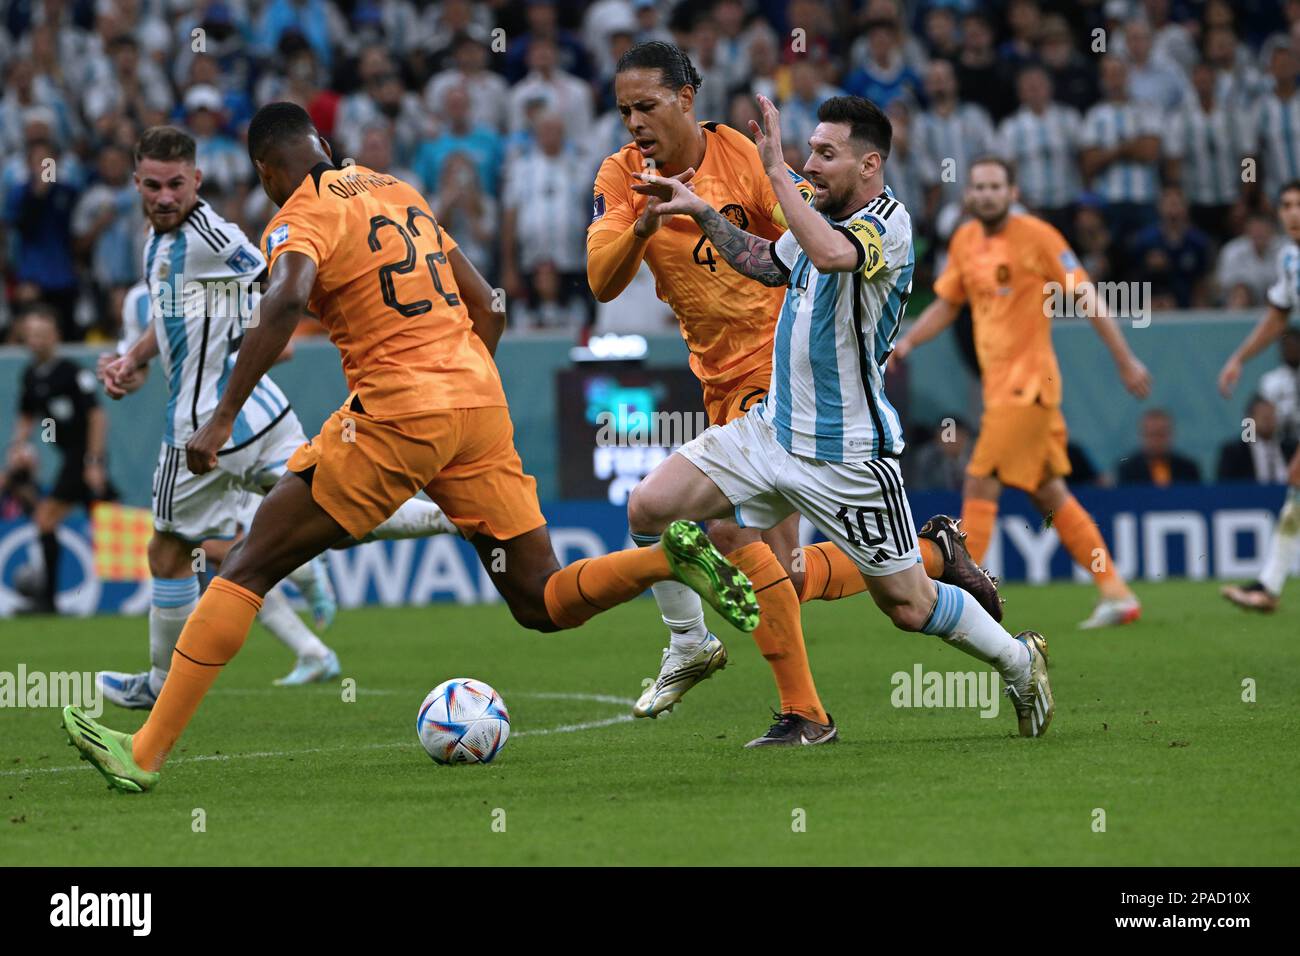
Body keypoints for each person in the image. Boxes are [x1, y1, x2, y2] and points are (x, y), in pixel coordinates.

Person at [62, 103, 759, 793]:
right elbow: (488, 302)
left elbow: (284, 299)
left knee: (245, 568)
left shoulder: (299, 212)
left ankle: (145, 752)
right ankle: (662, 557)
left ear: (267, 171)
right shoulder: (396, 188)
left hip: (395, 410)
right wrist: (460, 396)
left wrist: (219, 420)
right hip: (478, 404)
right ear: (326, 144)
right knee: (539, 601)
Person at [587, 41, 997, 745]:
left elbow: (815, 242)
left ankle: (796, 708)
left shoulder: (741, 158)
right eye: (624, 109)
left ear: (686, 98)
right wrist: (646, 225)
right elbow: (600, 278)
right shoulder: (623, 175)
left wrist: (782, 185)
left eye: (647, 106)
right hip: (713, 375)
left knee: (730, 539)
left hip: (782, 374)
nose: (634, 122)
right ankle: (931, 557)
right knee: (783, 573)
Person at [92, 126, 456, 709]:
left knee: (167, 549)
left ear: (197, 181)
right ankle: (449, 515)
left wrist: (273, 327)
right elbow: (174, 319)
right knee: (329, 510)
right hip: (262, 411)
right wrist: (135, 359)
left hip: (204, 421)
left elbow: (276, 280)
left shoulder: (213, 234)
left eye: (176, 185)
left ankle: (160, 687)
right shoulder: (157, 243)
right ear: (137, 182)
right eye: (153, 185)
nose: (164, 196)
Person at [894, 157, 1152, 630]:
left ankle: (966, 599)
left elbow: (1085, 296)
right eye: (979, 187)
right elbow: (948, 304)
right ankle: (1115, 592)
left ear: (1013, 192)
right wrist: (908, 341)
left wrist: (1124, 358)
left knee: (978, 482)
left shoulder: (1038, 236)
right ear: (969, 195)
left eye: (996, 186)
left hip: (1028, 389)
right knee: (1048, 495)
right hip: (1002, 393)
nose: (987, 194)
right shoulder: (965, 241)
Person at [1217, 180, 1300, 612]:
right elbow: (1276, 317)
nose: (1292, 213)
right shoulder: (1290, 258)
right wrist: (1239, 358)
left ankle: (1268, 586)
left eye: (1299, 205)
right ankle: (1268, 586)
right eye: (1286, 204)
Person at [5, 304, 114, 613]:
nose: (36, 341)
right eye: (30, 335)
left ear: (55, 336)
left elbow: (97, 417)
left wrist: (94, 462)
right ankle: (48, 599)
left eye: (42, 334)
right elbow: (26, 415)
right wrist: (18, 447)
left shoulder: (72, 373)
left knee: (48, 518)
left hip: (82, 457)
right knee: (64, 517)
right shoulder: (31, 375)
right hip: (69, 456)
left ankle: (48, 599)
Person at [1216, 396, 1294, 483]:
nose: (1268, 421)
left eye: (1271, 416)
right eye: (1264, 417)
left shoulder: (1291, 450)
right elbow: (1224, 489)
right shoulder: (1234, 453)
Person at [1115, 409, 1202, 486]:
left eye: (1161, 434)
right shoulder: (1127, 469)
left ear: (1171, 434)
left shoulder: (1188, 468)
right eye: (1151, 435)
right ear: (1141, 435)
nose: (1156, 440)